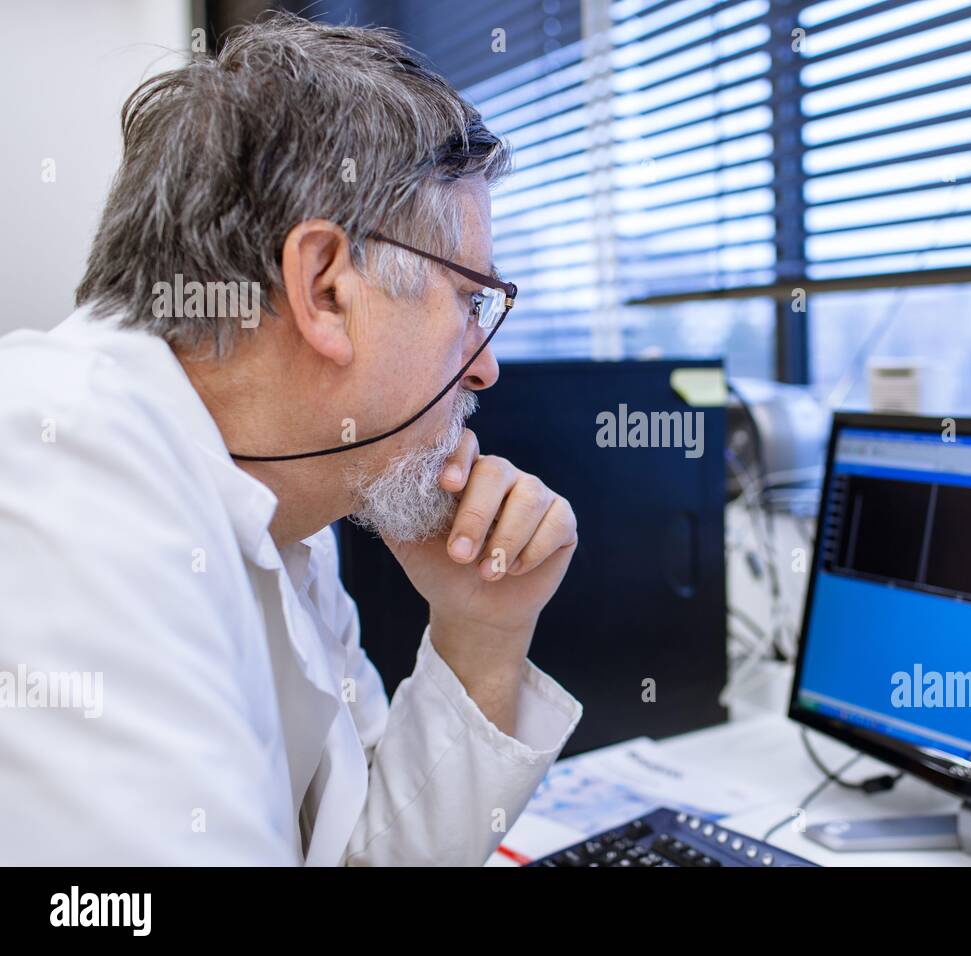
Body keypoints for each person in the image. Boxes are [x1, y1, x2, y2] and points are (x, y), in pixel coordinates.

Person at [0, 12, 581, 865]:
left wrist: (481, 632)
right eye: (469, 303)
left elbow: (363, 858)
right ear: (324, 289)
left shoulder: (280, 513)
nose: (486, 368)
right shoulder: (59, 467)